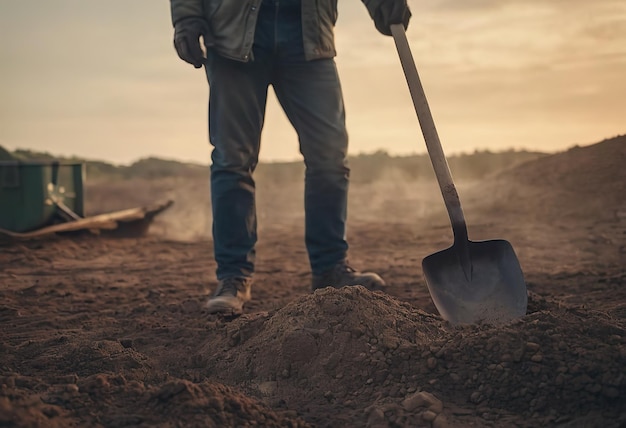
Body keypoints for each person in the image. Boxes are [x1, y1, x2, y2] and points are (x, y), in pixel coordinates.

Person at [170, 0, 411, 315]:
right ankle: (233, 277)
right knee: (233, 161)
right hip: (234, 32)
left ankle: (330, 268)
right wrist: (187, 17)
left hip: (308, 33)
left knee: (329, 156)